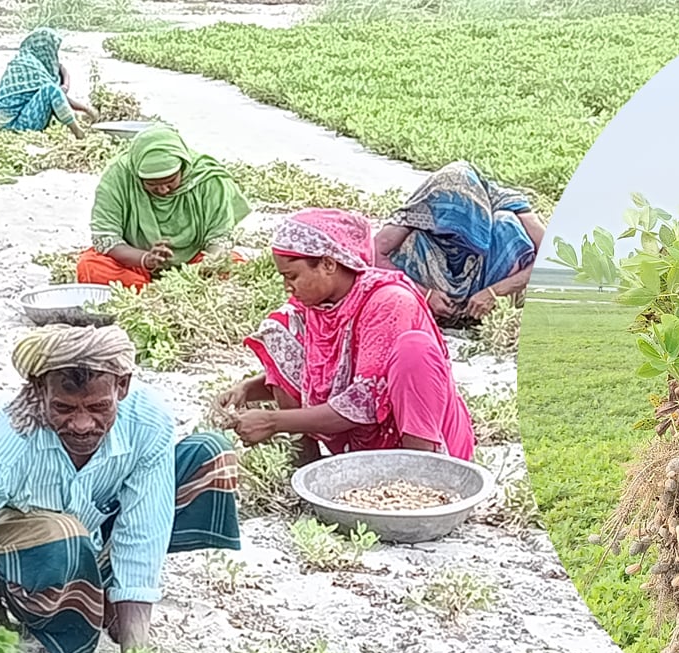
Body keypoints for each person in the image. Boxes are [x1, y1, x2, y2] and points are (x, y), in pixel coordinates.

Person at [0, 324, 242, 653]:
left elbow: (144, 531)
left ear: (122, 386)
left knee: (210, 456)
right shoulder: (2, 440)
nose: (82, 424)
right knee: (66, 535)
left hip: (90, 538)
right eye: (64, 408)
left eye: (99, 407)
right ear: (39, 390)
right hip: (20, 555)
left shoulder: (147, 421)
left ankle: (104, 595)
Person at [218, 208, 476, 466]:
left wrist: (273, 421)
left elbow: (363, 401)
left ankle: (420, 475)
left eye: (292, 276)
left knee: (414, 350)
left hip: (413, 435)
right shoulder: (317, 308)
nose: (288, 287)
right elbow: (314, 373)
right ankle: (305, 465)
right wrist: (247, 389)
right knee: (280, 329)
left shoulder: (389, 302)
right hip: (362, 443)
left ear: (328, 264)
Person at [75, 124, 251, 290]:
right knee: (90, 266)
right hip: (135, 263)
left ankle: (160, 292)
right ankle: (149, 293)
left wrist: (199, 271)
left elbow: (219, 238)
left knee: (234, 266)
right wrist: (145, 259)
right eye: (152, 184)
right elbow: (106, 237)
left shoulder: (208, 179)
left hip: (195, 265)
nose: (163, 190)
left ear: (182, 168)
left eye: (170, 181)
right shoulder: (119, 177)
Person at [373, 160, 545, 326]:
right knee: (412, 239)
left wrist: (494, 292)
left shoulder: (504, 201)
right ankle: (437, 310)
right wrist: (424, 293)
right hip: (436, 279)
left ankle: (482, 310)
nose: (456, 239)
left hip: (485, 275)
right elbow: (373, 254)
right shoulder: (422, 207)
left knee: (506, 224)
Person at [0, 27, 99, 137]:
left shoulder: (28, 60)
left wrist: (65, 83)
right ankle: (78, 132)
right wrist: (87, 109)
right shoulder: (30, 67)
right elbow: (55, 93)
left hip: (18, 116)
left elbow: (61, 69)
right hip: (15, 125)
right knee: (50, 89)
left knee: (54, 94)